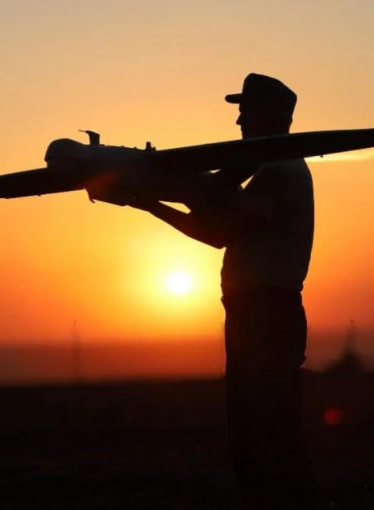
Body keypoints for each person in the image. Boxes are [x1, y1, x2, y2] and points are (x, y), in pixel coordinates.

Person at [135, 73, 316, 508]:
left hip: (265, 314)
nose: (238, 121)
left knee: (263, 430)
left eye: (246, 110)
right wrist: (162, 198)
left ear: (271, 115)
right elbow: (219, 217)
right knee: (260, 426)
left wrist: (150, 200)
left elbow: (218, 231)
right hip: (257, 312)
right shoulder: (274, 170)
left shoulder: (279, 171)